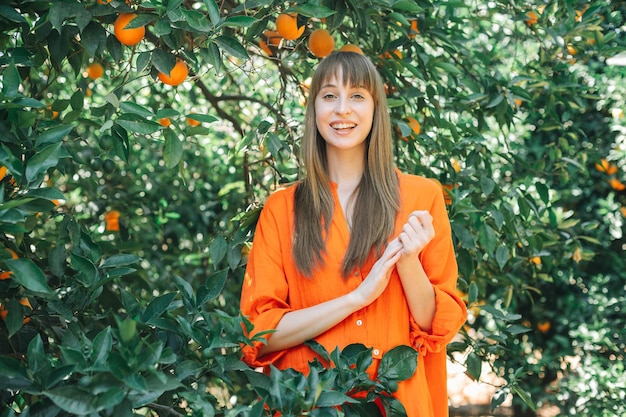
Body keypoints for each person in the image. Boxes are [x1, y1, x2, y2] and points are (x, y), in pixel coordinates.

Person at [240, 51, 467, 417]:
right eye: (330, 95)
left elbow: (436, 329)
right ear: (314, 109)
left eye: (357, 96)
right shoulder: (282, 208)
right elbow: (257, 336)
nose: (342, 109)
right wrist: (357, 298)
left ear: (376, 108)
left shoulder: (422, 198)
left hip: (399, 405)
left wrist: (408, 262)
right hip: (310, 407)